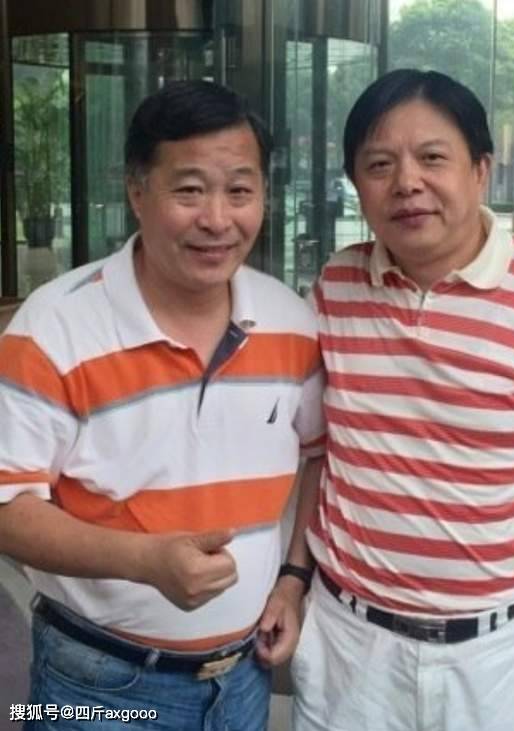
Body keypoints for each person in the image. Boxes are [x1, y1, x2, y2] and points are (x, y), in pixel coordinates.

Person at [281, 69, 514, 731]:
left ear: (480, 170)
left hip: (492, 657)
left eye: (432, 157)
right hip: (349, 647)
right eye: (379, 164)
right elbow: (322, 456)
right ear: (357, 184)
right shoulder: (336, 286)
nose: (406, 182)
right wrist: (292, 578)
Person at [0, 80, 325, 730]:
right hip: (93, 685)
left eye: (240, 191)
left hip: (244, 678)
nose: (217, 219)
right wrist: (144, 561)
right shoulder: (53, 327)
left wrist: (293, 577)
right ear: (136, 191)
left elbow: (318, 456)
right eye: (189, 190)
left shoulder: (292, 323)